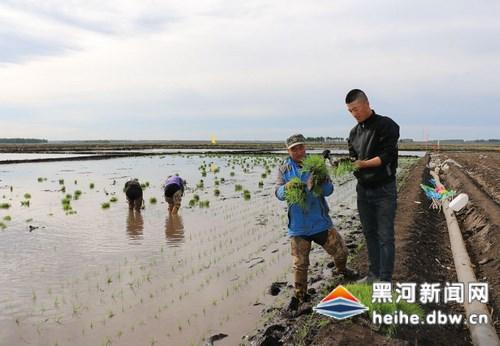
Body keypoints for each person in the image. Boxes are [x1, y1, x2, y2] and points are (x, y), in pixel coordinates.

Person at [275, 133, 358, 314]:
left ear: (305, 147)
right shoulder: (284, 169)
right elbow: (278, 193)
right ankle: (300, 295)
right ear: (288, 151)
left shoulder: (316, 165)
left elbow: (328, 191)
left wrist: (322, 181)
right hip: (298, 226)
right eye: (294, 149)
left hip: (320, 222)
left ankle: (342, 270)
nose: (298, 151)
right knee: (300, 264)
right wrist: (286, 188)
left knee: (341, 251)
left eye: (301, 147)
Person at [345, 89, 400, 283]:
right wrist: (346, 164)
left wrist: (363, 164)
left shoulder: (386, 125)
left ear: (367, 104)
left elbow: (388, 156)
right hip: (363, 190)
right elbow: (353, 158)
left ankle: (385, 281)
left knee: (385, 236)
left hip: (384, 189)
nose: (354, 114)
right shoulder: (353, 134)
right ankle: (373, 275)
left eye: (356, 109)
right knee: (369, 234)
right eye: (350, 111)